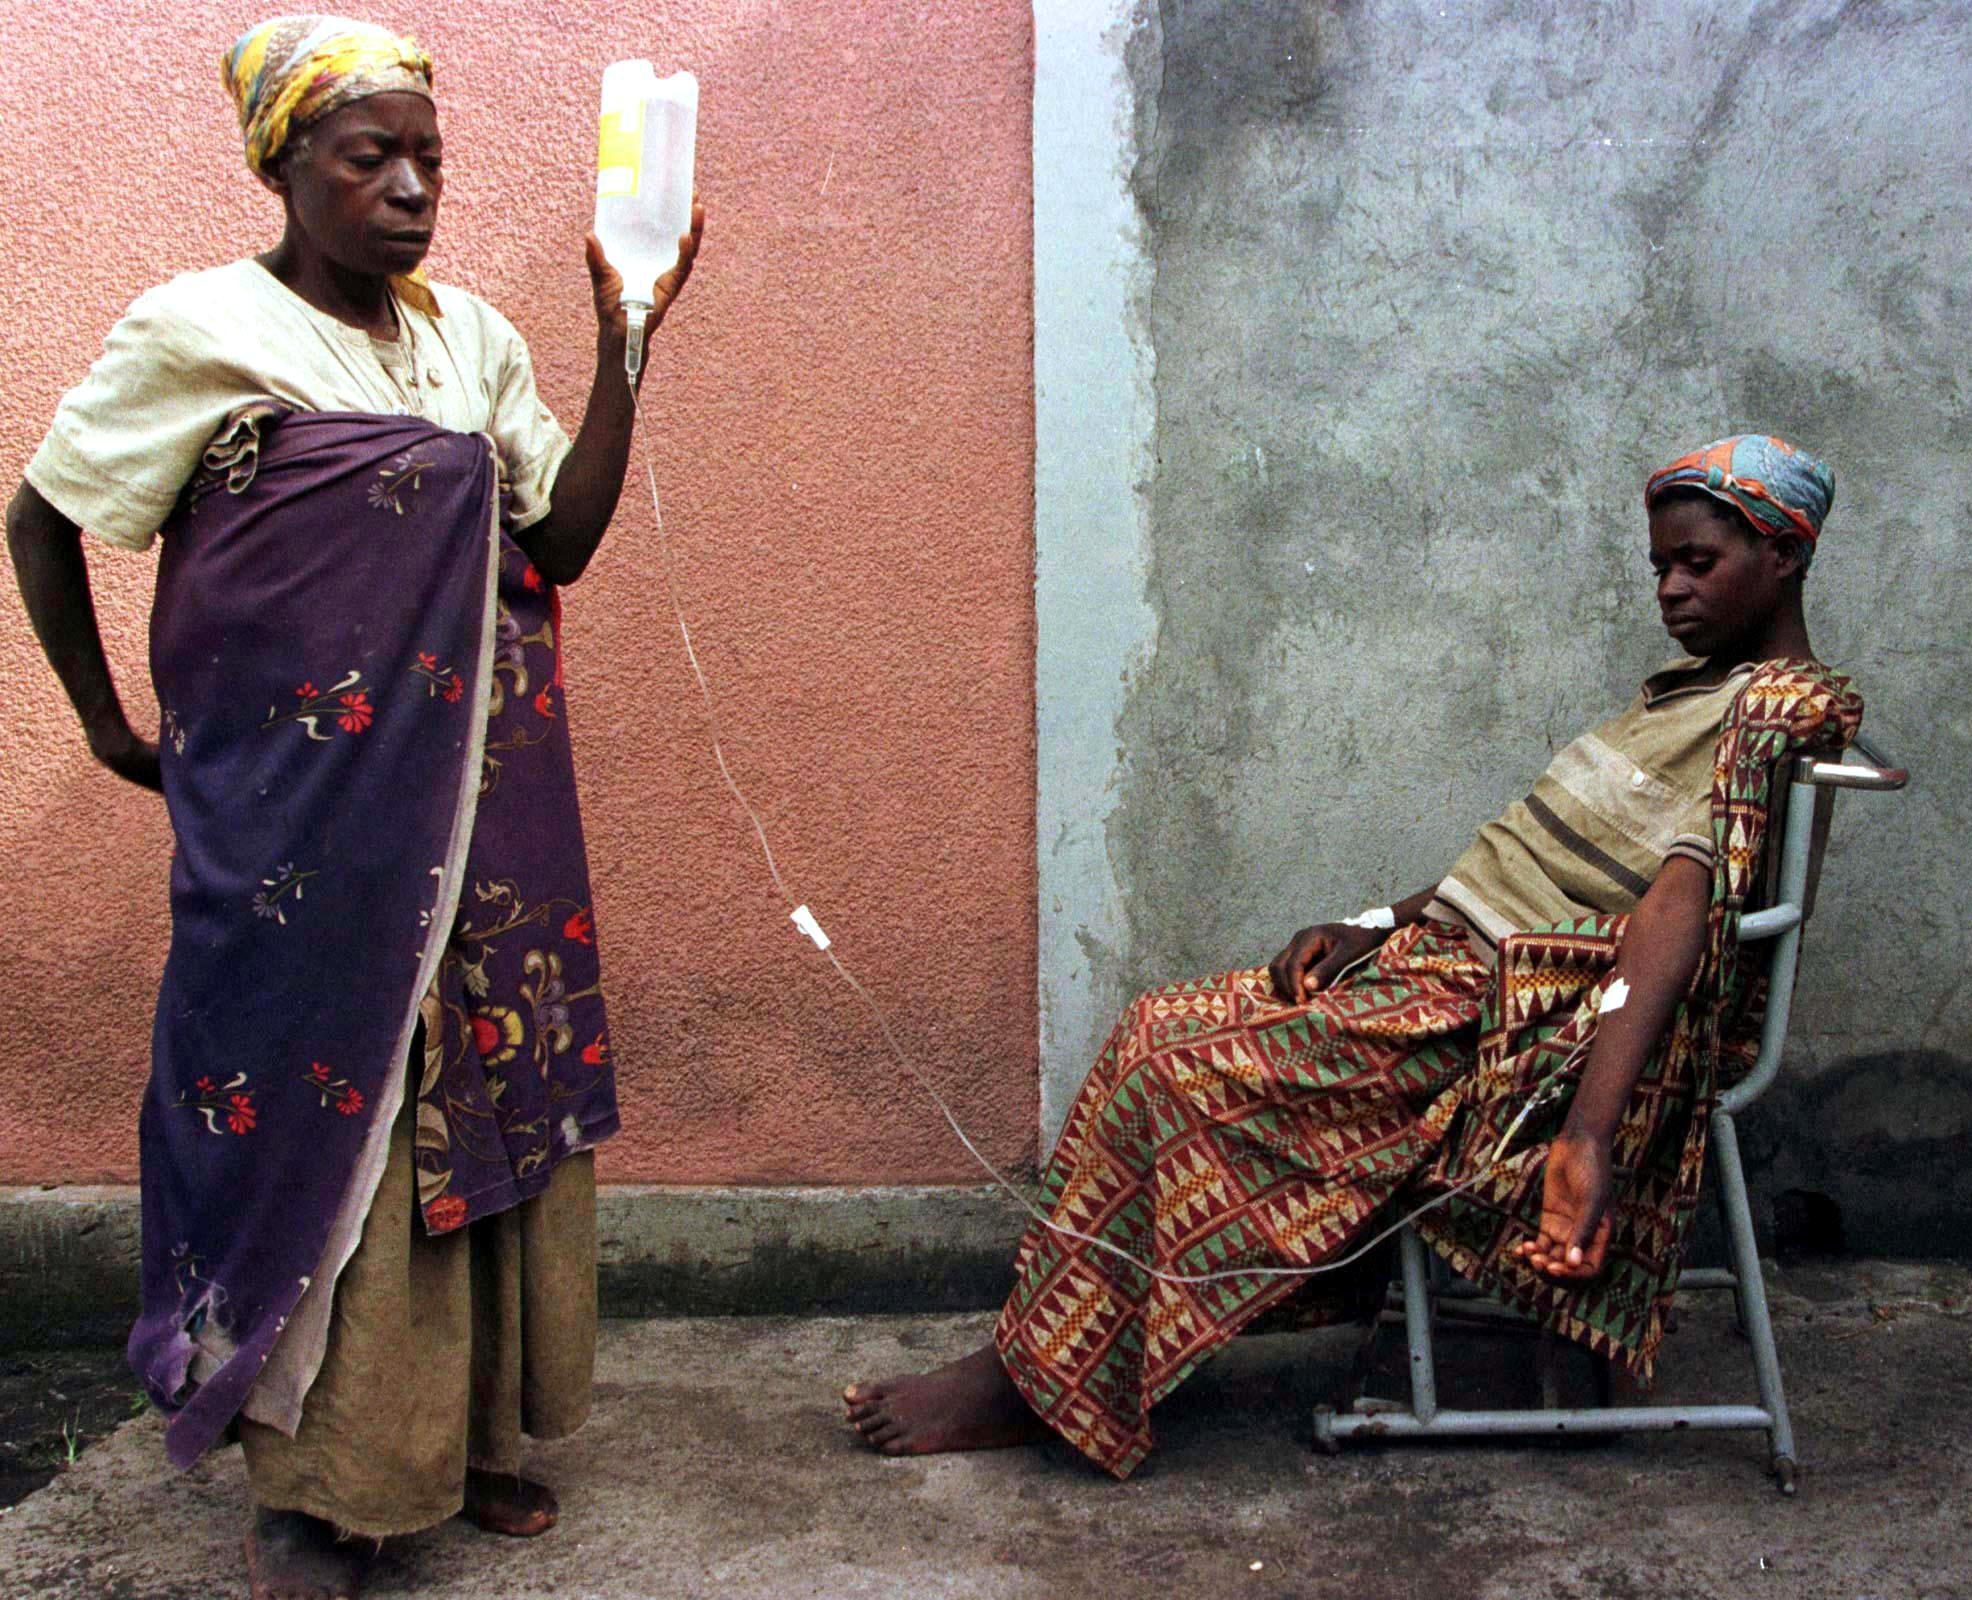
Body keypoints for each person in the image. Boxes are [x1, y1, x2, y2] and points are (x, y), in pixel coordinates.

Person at [6, 16, 702, 1597]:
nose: (409, 190)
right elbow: (42, 520)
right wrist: (110, 726)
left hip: (477, 811)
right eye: (367, 156)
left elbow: (561, 539)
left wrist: (628, 333)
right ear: (283, 163)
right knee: (316, 1114)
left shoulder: (475, 341)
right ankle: (308, 1488)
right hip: (303, 833)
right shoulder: (200, 329)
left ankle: (446, 1447)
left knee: (463, 1107)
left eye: (429, 161)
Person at [845, 434, 1861, 1478]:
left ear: (1783, 553)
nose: (1670, 587)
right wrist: (1373, 921)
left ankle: (1034, 1379)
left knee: (1171, 1069)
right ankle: (1043, 1360)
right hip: (1429, 960)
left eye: (1697, 561)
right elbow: (1520, 861)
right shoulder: (1685, 695)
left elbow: (1679, 904)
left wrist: (1588, 1134)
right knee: (1150, 1027)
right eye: (1659, 565)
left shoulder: (1772, 712)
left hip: (1498, 1014)